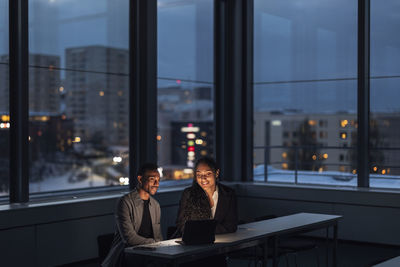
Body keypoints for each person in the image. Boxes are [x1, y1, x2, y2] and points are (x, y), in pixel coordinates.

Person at [174, 157, 238, 267]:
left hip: (216, 250)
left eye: (207, 174)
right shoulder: (189, 194)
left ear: (216, 173)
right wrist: (210, 229)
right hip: (190, 250)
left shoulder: (228, 194)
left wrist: (203, 230)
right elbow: (181, 224)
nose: (203, 178)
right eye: (199, 175)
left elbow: (231, 225)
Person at [102, 163, 163, 267]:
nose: (156, 183)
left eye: (158, 180)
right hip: (126, 255)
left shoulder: (155, 205)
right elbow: (129, 238)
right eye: (152, 179)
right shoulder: (125, 202)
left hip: (149, 256)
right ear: (140, 179)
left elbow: (158, 236)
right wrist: (154, 243)